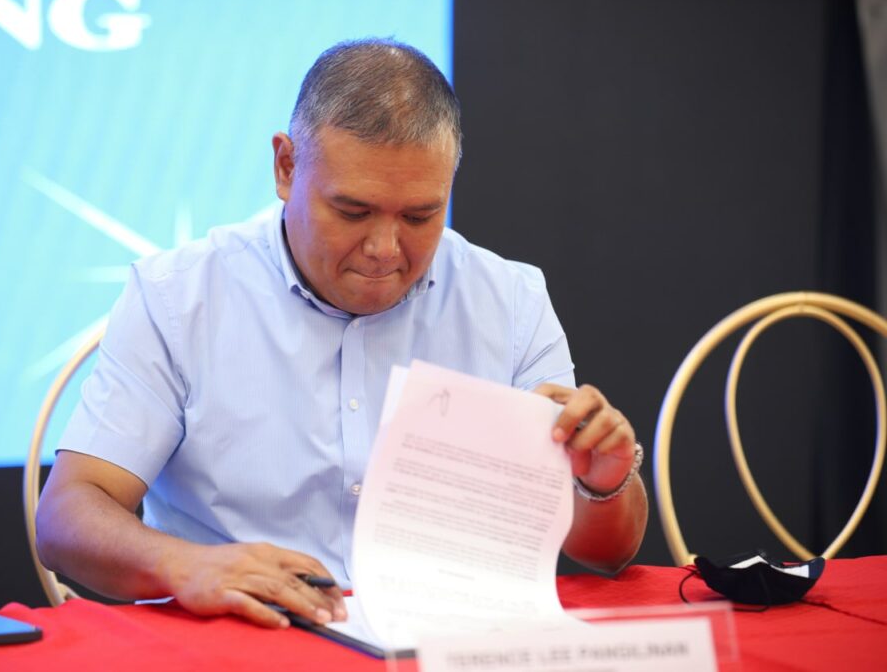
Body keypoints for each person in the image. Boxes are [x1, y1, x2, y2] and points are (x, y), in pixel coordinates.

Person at [36, 38, 648, 630]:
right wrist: (186, 566)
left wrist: (605, 481)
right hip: (245, 637)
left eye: (420, 216)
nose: (385, 249)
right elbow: (66, 516)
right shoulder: (179, 297)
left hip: (454, 641)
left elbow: (607, 555)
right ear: (285, 167)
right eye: (353, 212)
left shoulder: (509, 300)